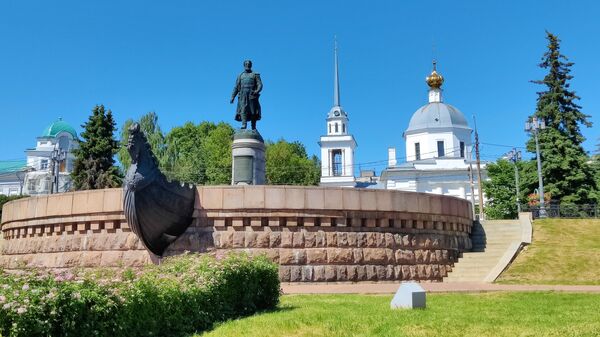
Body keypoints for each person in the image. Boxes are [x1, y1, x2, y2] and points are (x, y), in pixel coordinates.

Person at [230, 60, 262, 130]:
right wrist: (233, 97)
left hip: (252, 94)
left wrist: (256, 91)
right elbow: (236, 87)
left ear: (251, 65)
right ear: (244, 65)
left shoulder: (255, 74)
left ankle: (253, 127)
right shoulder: (240, 75)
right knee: (243, 110)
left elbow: (260, 85)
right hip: (243, 95)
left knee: (253, 111)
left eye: (249, 64)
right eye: (246, 64)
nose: (247, 65)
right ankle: (244, 124)